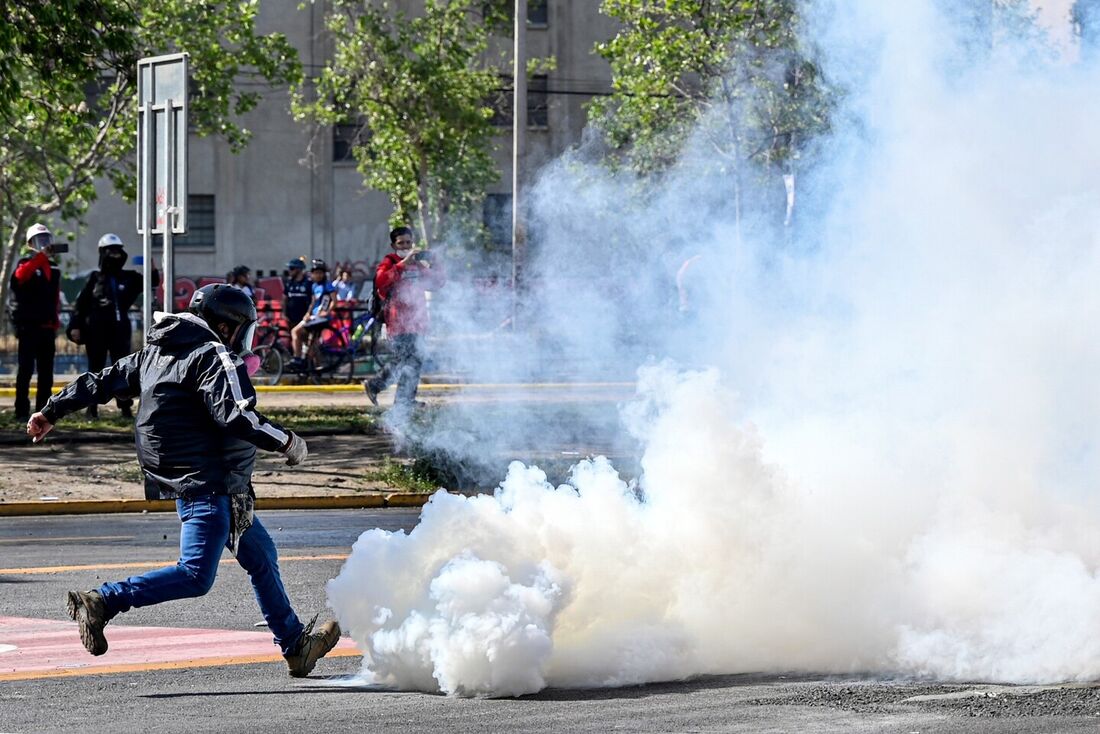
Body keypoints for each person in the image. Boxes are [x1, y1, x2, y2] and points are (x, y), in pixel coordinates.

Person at [25, 284, 341, 677]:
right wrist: (287, 441)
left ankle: (295, 645)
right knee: (195, 574)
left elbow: (102, 380)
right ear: (226, 328)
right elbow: (237, 416)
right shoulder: (213, 354)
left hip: (213, 486)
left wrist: (52, 410)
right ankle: (102, 601)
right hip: (209, 484)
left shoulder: (157, 352)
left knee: (261, 557)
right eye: (243, 330)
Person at [69, 234, 158, 419]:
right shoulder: (95, 278)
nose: (115, 255)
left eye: (118, 251)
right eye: (110, 251)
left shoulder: (129, 278)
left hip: (120, 330)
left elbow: (153, 281)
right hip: (96, 330)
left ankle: (125, 409)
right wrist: (75, 326)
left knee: (123, 370)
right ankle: (91, 409)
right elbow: (81, 305)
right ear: (102, 253)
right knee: (95, 369)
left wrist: (150, 263)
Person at [363, 226, 445, 410]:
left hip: (418, 323)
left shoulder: (417, 266)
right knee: (401, 360)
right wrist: (403, 264)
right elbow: (381, 281)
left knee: (414, 362)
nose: (406, 246)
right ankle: (377, 386)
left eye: (408, 242)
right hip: (399, 323)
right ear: (393, 245)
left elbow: (437, 282)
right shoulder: (389, 262)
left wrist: (436, 262)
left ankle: (405, 400)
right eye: (401, 243)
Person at [9, 223, 62, 420]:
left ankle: (43, 411)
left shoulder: (54, 268)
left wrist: (55, 321)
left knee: (46, 373)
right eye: (40, 241)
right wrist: (39, 258)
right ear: (30, 244)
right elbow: (21, 276)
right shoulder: (26, 262)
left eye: (47, 240)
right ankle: (21, 411)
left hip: (47, 328)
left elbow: (55, 296)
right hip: (28, 327)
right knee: (25, 371)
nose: (45, 244)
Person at [289, 259, 336, 369]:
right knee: (311, 342)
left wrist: (327, 312)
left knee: (295, 331)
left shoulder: (328, 285)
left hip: (320, 318)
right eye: (315, 273)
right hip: (313, 317)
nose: (318, 275)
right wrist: (307, 313)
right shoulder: (314, 286)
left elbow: (334, 301)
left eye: (320, 273)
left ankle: (297, 358)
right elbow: (313, 302)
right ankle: (317, 365)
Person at [282, 258, 311, 328]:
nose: (289, 271)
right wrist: (284, 314)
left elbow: (313, 301)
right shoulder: (289, 283)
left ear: (299, 269)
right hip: (291, 319)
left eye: (291, 268)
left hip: (304, 319)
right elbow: (284, 299)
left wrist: (308, 313)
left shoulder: (308, 283)